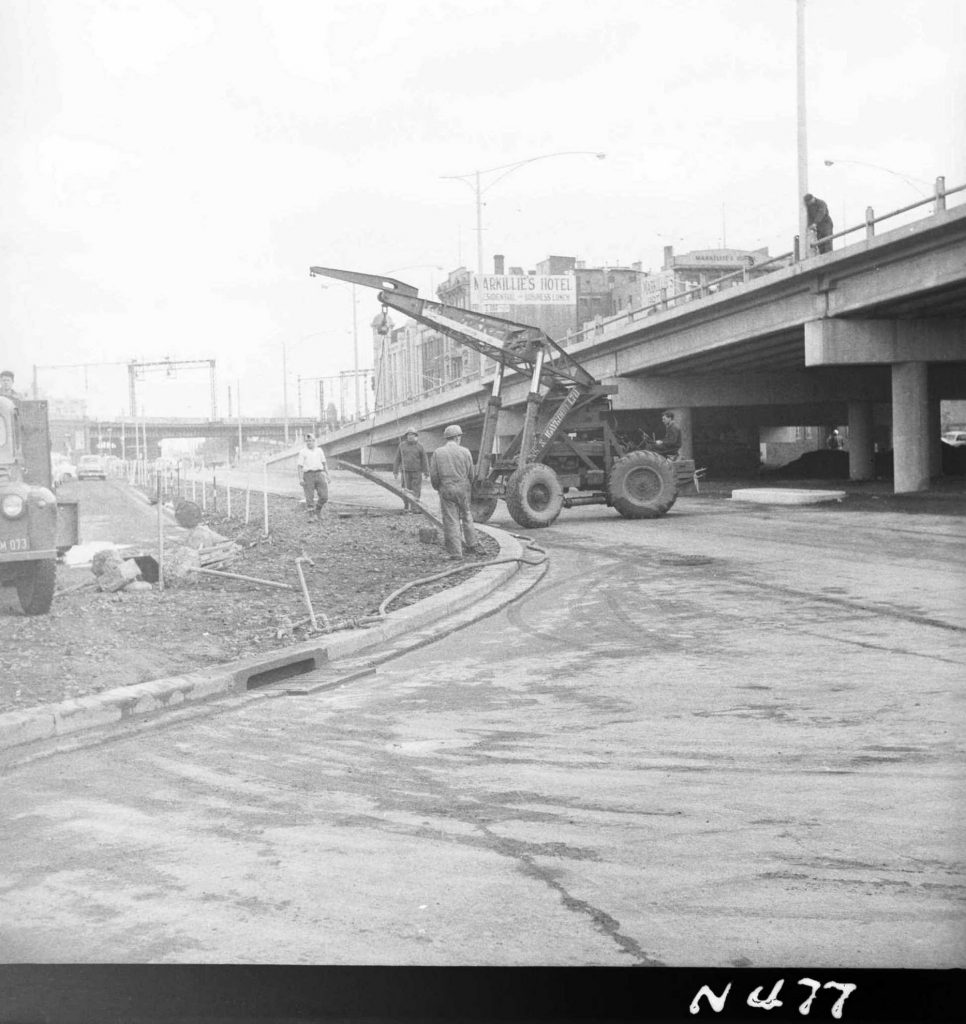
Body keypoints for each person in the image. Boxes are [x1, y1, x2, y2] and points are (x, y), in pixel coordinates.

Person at [429, 424, 482, 560]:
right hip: (463, 488)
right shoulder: (465, 451)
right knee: (467, 515)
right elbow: (471, 473)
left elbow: (434, 475)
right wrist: (468, 486)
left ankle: (456, 553)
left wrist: (438, 487)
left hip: (446, 488)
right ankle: (472, 544)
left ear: (447, 438)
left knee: (451, 520)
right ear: (458, 437)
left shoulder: (438, 452)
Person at [393, 428, 430, 511]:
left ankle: (415, 507)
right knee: (405, 489)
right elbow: (397, 459)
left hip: (416, 472)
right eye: (408, 435)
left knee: (416, 490)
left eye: (412, 435)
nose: (410, 437)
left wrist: (426, 472)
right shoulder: (401, 445)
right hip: (405, 472)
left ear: (416, 436)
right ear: (406, 436)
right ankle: (406, 505)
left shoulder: (420, 446)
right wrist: (395, 471)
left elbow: (424, 460)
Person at [296, 434, 329, 517]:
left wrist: (328, 475)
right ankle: (311, 515)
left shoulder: (319, 450)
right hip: (308, 475)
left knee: (324, 496)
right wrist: (300, 479)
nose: (309, 442)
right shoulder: (302, 452)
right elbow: (300, 466)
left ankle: (318, 510)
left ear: (314, 441)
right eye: (307, 441)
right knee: (309, 497)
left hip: (319, 473)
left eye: (310, 441)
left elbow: (324, 464)